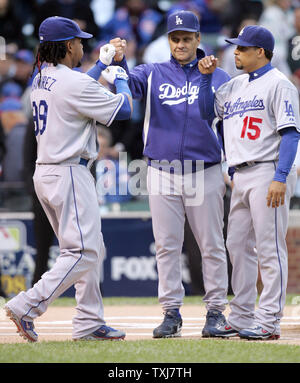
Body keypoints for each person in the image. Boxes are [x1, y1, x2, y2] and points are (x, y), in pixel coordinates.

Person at [4, 16, 132, 342]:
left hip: (47, 171)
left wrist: (98, 65)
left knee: (88, 247)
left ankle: (89, 321)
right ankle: (27, 305)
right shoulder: (70, 82)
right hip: (68, 171)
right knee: (83, 252)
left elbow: (74, 88)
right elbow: (123, 111)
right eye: (78, 42)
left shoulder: (40, 76)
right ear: (66, 46)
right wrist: (119, 77)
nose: (82, 46)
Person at [107, 10, 231, 338]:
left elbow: (225, 123)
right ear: (168, 40)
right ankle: (171, 312)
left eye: (186, 38)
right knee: (166, 245)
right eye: (175, 38)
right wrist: (119, 61)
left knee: (211, 244)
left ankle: (216, 311)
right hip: (161, 169)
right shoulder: (152, 72)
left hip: (204, 168)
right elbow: (123, 86)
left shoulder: (218, 75)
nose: (180, 43)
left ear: (198, 39)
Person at [198, 25, 300, 339]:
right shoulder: (235, 84)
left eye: (242, 48)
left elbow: (291, 133)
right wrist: (205, 79)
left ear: (261, 52)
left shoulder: (280, 84)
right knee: (236, 245)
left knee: (269, 248)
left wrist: (280, 177)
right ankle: (242, 315)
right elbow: (205, 112)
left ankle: (269, 320)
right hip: (240, 175)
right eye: (235, 47)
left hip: (268, 171)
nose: (235, 52)